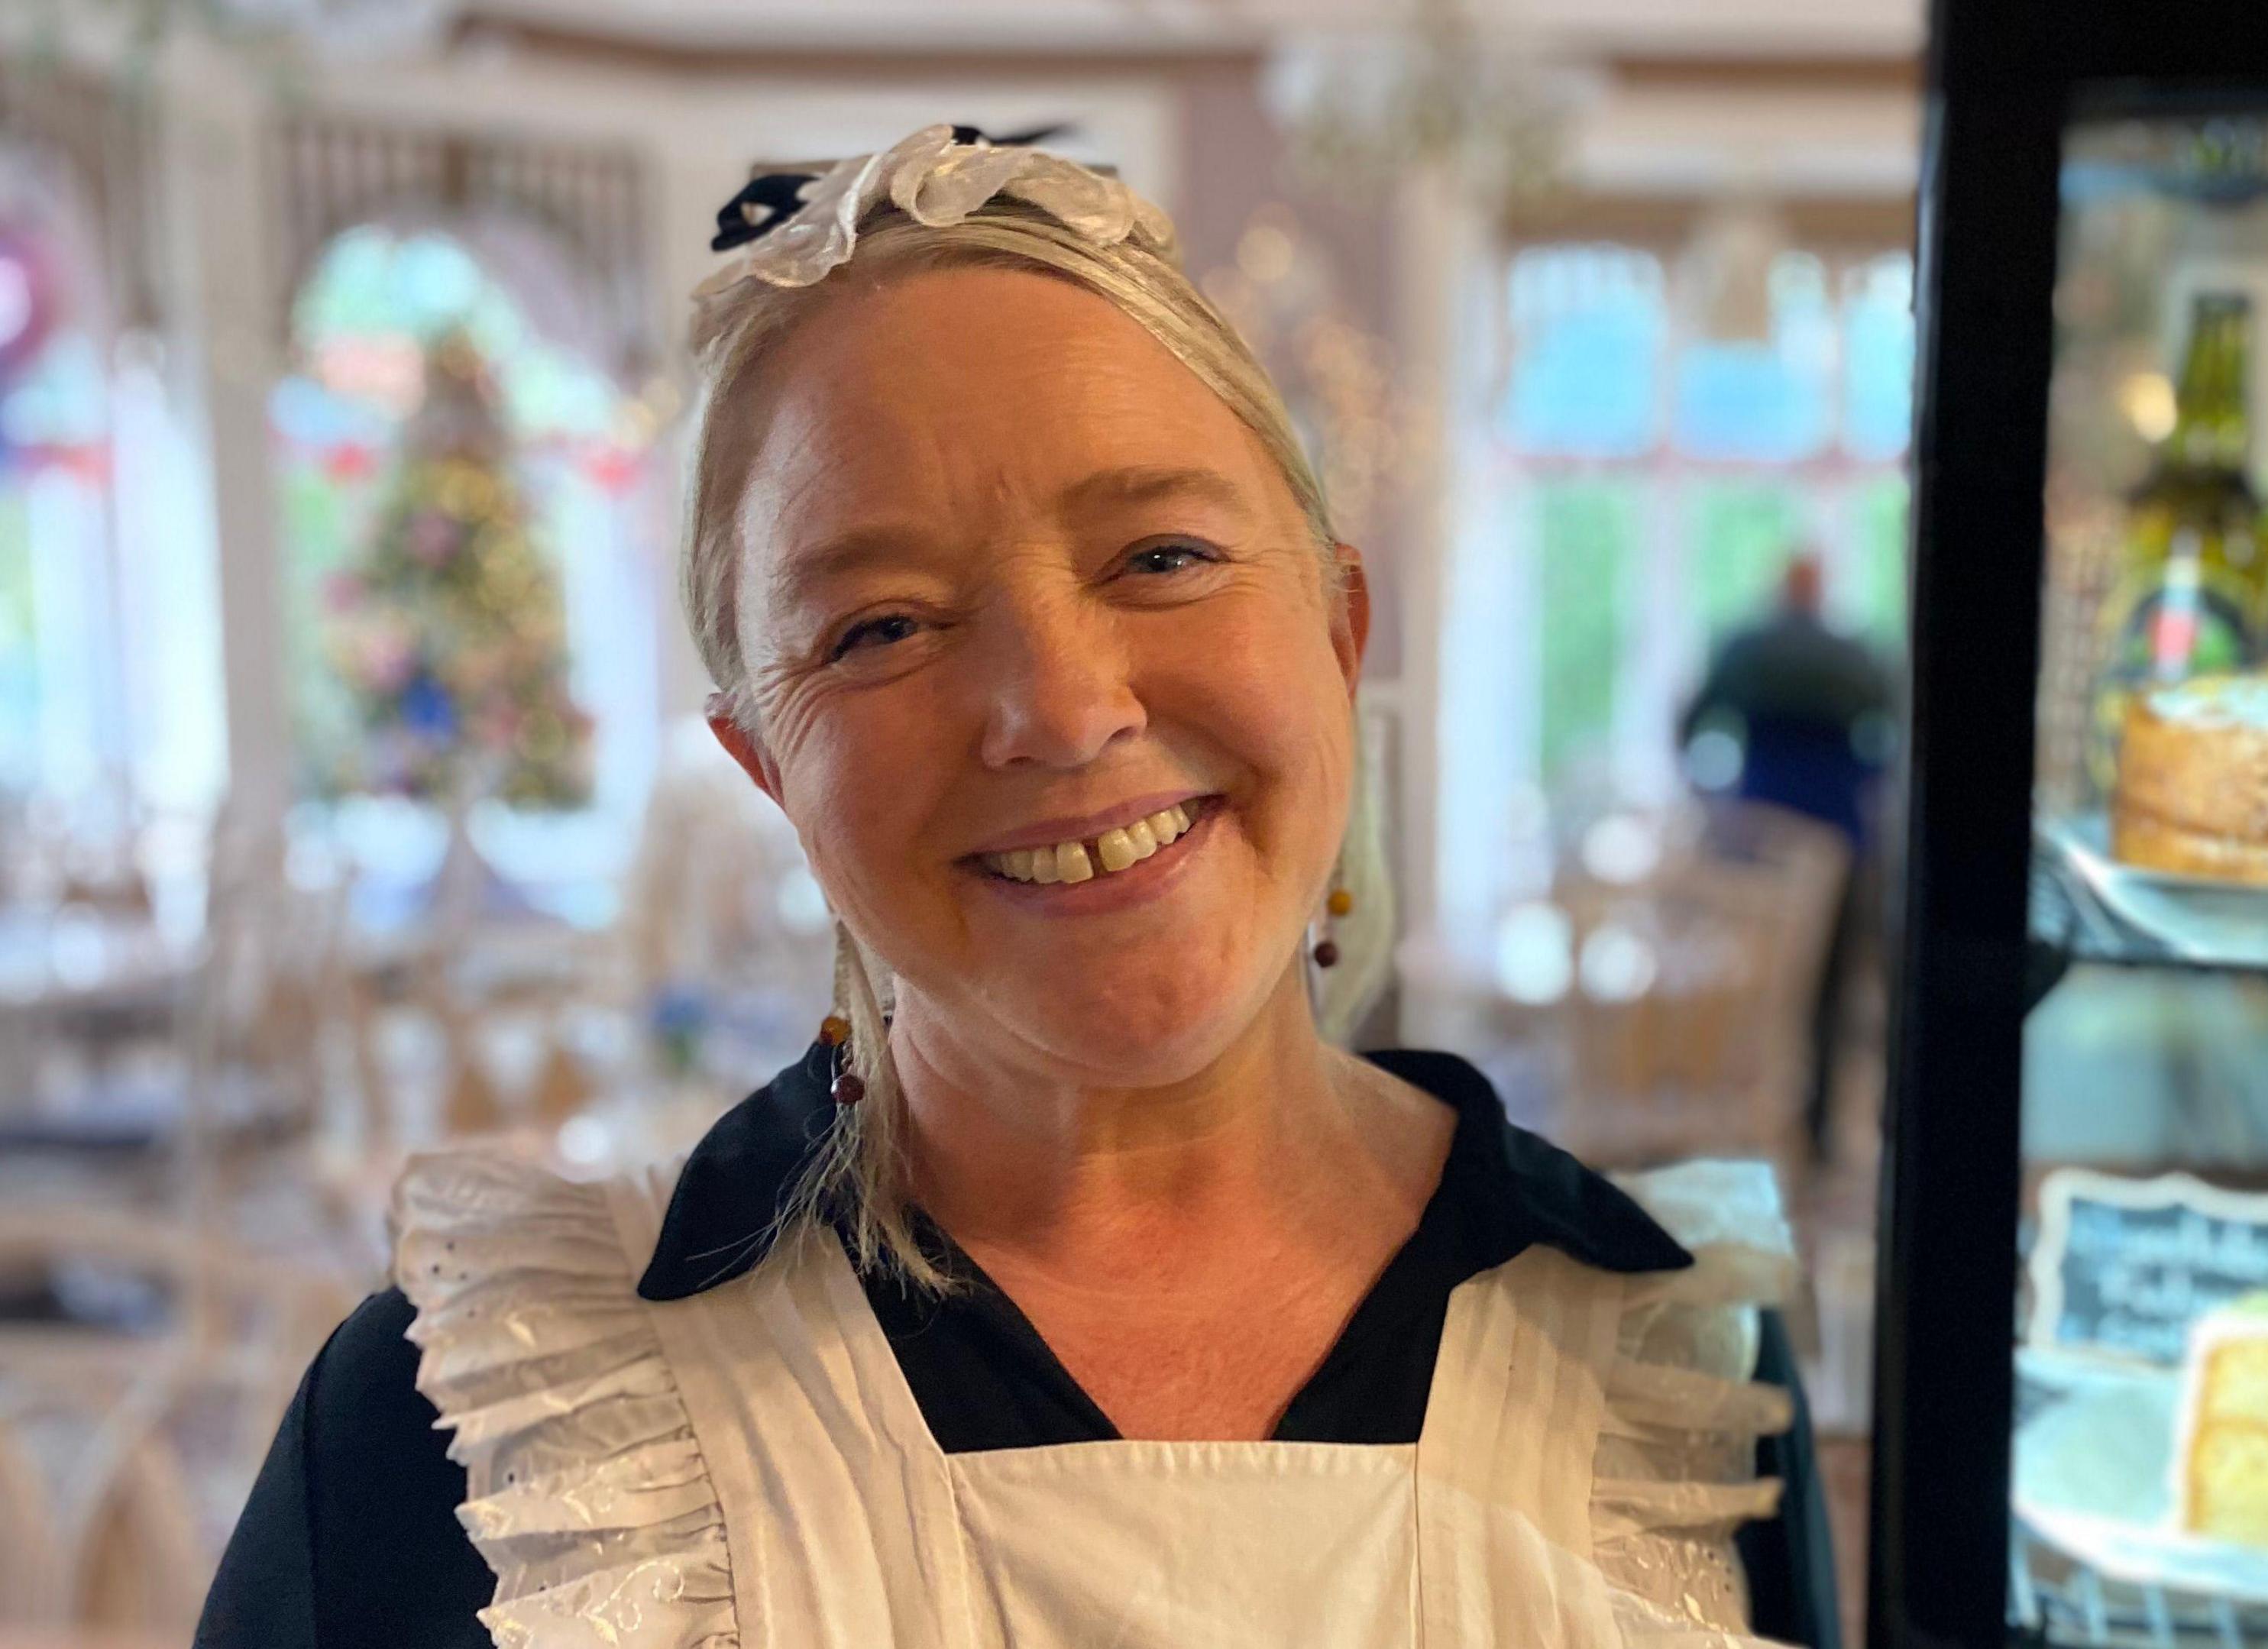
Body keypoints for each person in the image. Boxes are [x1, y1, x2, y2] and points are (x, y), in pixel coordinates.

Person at [196, 123, 1837, 1648]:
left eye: (1163, 556)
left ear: (1341, 636)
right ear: (770, 765)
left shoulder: (1673, 1373)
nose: (1061, 708)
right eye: (881, 626)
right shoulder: (472, 1429)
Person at [1678, 552, 1899, 1159]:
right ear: (1818, 590)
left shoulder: (1747, 648)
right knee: (1823, 990)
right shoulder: (1854, 656)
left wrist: (1703, 795)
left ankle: (1724, 1114)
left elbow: (1689, 723)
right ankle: (1816, 1129)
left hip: (1755, 838)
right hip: (1838, 838)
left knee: (1737, 979)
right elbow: (1895, 737)